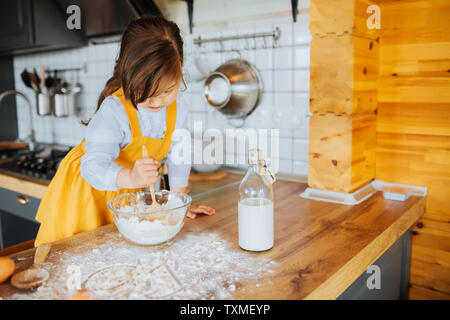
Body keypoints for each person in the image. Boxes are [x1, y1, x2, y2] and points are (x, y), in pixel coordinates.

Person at [34, 16, 215, 247]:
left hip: (126, 193)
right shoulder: (115, 110)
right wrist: (132, 177)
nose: (158, 101)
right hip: (88, 190)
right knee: (81, 254)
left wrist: (178, 202)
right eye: (145, 91)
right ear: (127, 74)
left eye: (168, 90)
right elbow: (93, 167)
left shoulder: (179, 107)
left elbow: (179, 153)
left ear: (179, 72)